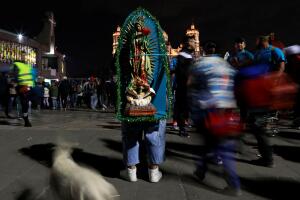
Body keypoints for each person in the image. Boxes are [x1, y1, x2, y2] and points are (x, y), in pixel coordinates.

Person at [116, 10, 170, 183]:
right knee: (154, 134)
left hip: (131, 99)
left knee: (131, 134)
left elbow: (116, 67)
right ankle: (154, 171)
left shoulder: (127, 51)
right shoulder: (162, 55)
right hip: (156, 102)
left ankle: (131, 171)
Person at [188, 43, 241, 196]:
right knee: (222, 146)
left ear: (204, 51)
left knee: (211, 144)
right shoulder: (227, 65)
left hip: (208, 109)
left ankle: (232, 183)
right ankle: (201, 170)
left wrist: (192, 107)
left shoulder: (201, 64)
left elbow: (191, 85)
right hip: (227, 110)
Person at [247, 35, 286, 167]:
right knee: (255, 123)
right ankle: (265, 153)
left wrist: (274, 82)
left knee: (259, 124)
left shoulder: (275, 51)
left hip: (268, 89)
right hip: (257, 89)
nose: (256, 43)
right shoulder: (257, 53)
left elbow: (281, 67)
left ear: (264, 41)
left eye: (258, 41)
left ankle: (267, 157)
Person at [174, 35, 196, 138]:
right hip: (184, 86)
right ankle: (182, 129)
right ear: (187, 43)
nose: (194, 43)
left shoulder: (188, 55)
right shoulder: (183, 55)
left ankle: (183, 126)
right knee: (182, 108)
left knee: (184, 108)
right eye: (192, 41)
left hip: (187, 86)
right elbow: (181, 72)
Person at [12, 51, 36, 127]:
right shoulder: (17, 64)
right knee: (24, 102)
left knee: (25, 103)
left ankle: (25, 117)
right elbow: (15, 75)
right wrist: (16, 84)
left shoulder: (27, 65)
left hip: (28, 86)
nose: (23, 57)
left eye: (24, 55)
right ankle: (26, 119)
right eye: (22, 55)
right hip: (22, 86)